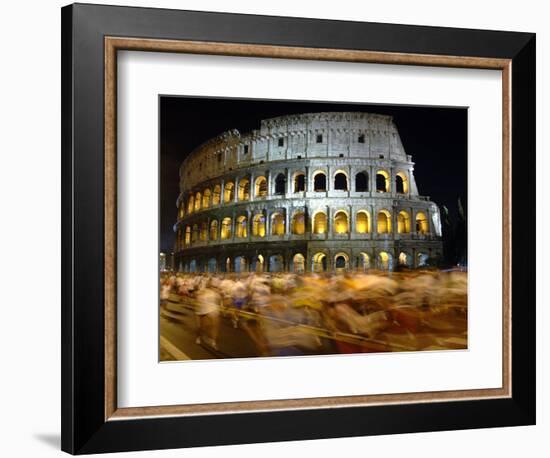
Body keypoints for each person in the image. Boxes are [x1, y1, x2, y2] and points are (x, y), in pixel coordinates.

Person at [194, 283, 222, 350]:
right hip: (201, 311)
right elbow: (197, 299)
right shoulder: (201, 292)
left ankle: (213, 342)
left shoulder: (215, 293)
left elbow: (219, 301)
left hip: (213, 310)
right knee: (200, 327)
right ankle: (199, 337)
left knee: (214, 326)